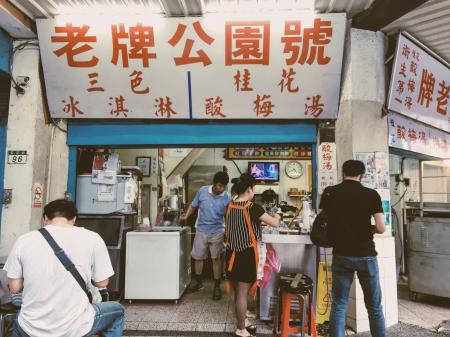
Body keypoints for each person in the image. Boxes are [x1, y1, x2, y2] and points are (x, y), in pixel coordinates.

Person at [4, 199, 124, 337]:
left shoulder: (24, 240)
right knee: (117, 311)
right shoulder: (93, 238)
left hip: (31, 327)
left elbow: (14, 287)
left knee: (22, 320)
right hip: (75, 326)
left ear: (45, 218)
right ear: (74, 219)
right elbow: (102, 282)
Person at [319, 160, 387, 337]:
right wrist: (368, 228)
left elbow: (323, 221)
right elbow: (381, 227)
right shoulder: (371, 194)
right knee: (374, 307)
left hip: (341, 254)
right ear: (361, 175)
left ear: (343, 172)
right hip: (366, 255)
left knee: (339, 304)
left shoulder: (330, 192)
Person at [225, 173, 280, 337]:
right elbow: (274, 222)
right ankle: (241, 329)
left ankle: (244, 321)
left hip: (231, 252)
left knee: (238, 291)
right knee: (242, 293)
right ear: (249, 189)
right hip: (246, 254)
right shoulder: (252, 207)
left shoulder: (230, 205)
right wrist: (278, 214)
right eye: (253, 188)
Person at [180, 171, 231, 300]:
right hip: (201, 229)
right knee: (198, 257)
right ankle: (198, 282)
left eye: (224, 186)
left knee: (216, 259)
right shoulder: (202, 191)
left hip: (218, 230)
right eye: (220, 185)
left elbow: (229, 215)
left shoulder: (227, 197)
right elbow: (193, 205)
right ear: (214, 183)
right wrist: (186, 215)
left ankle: (217, 286)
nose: (221, 189)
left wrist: (229, 231)